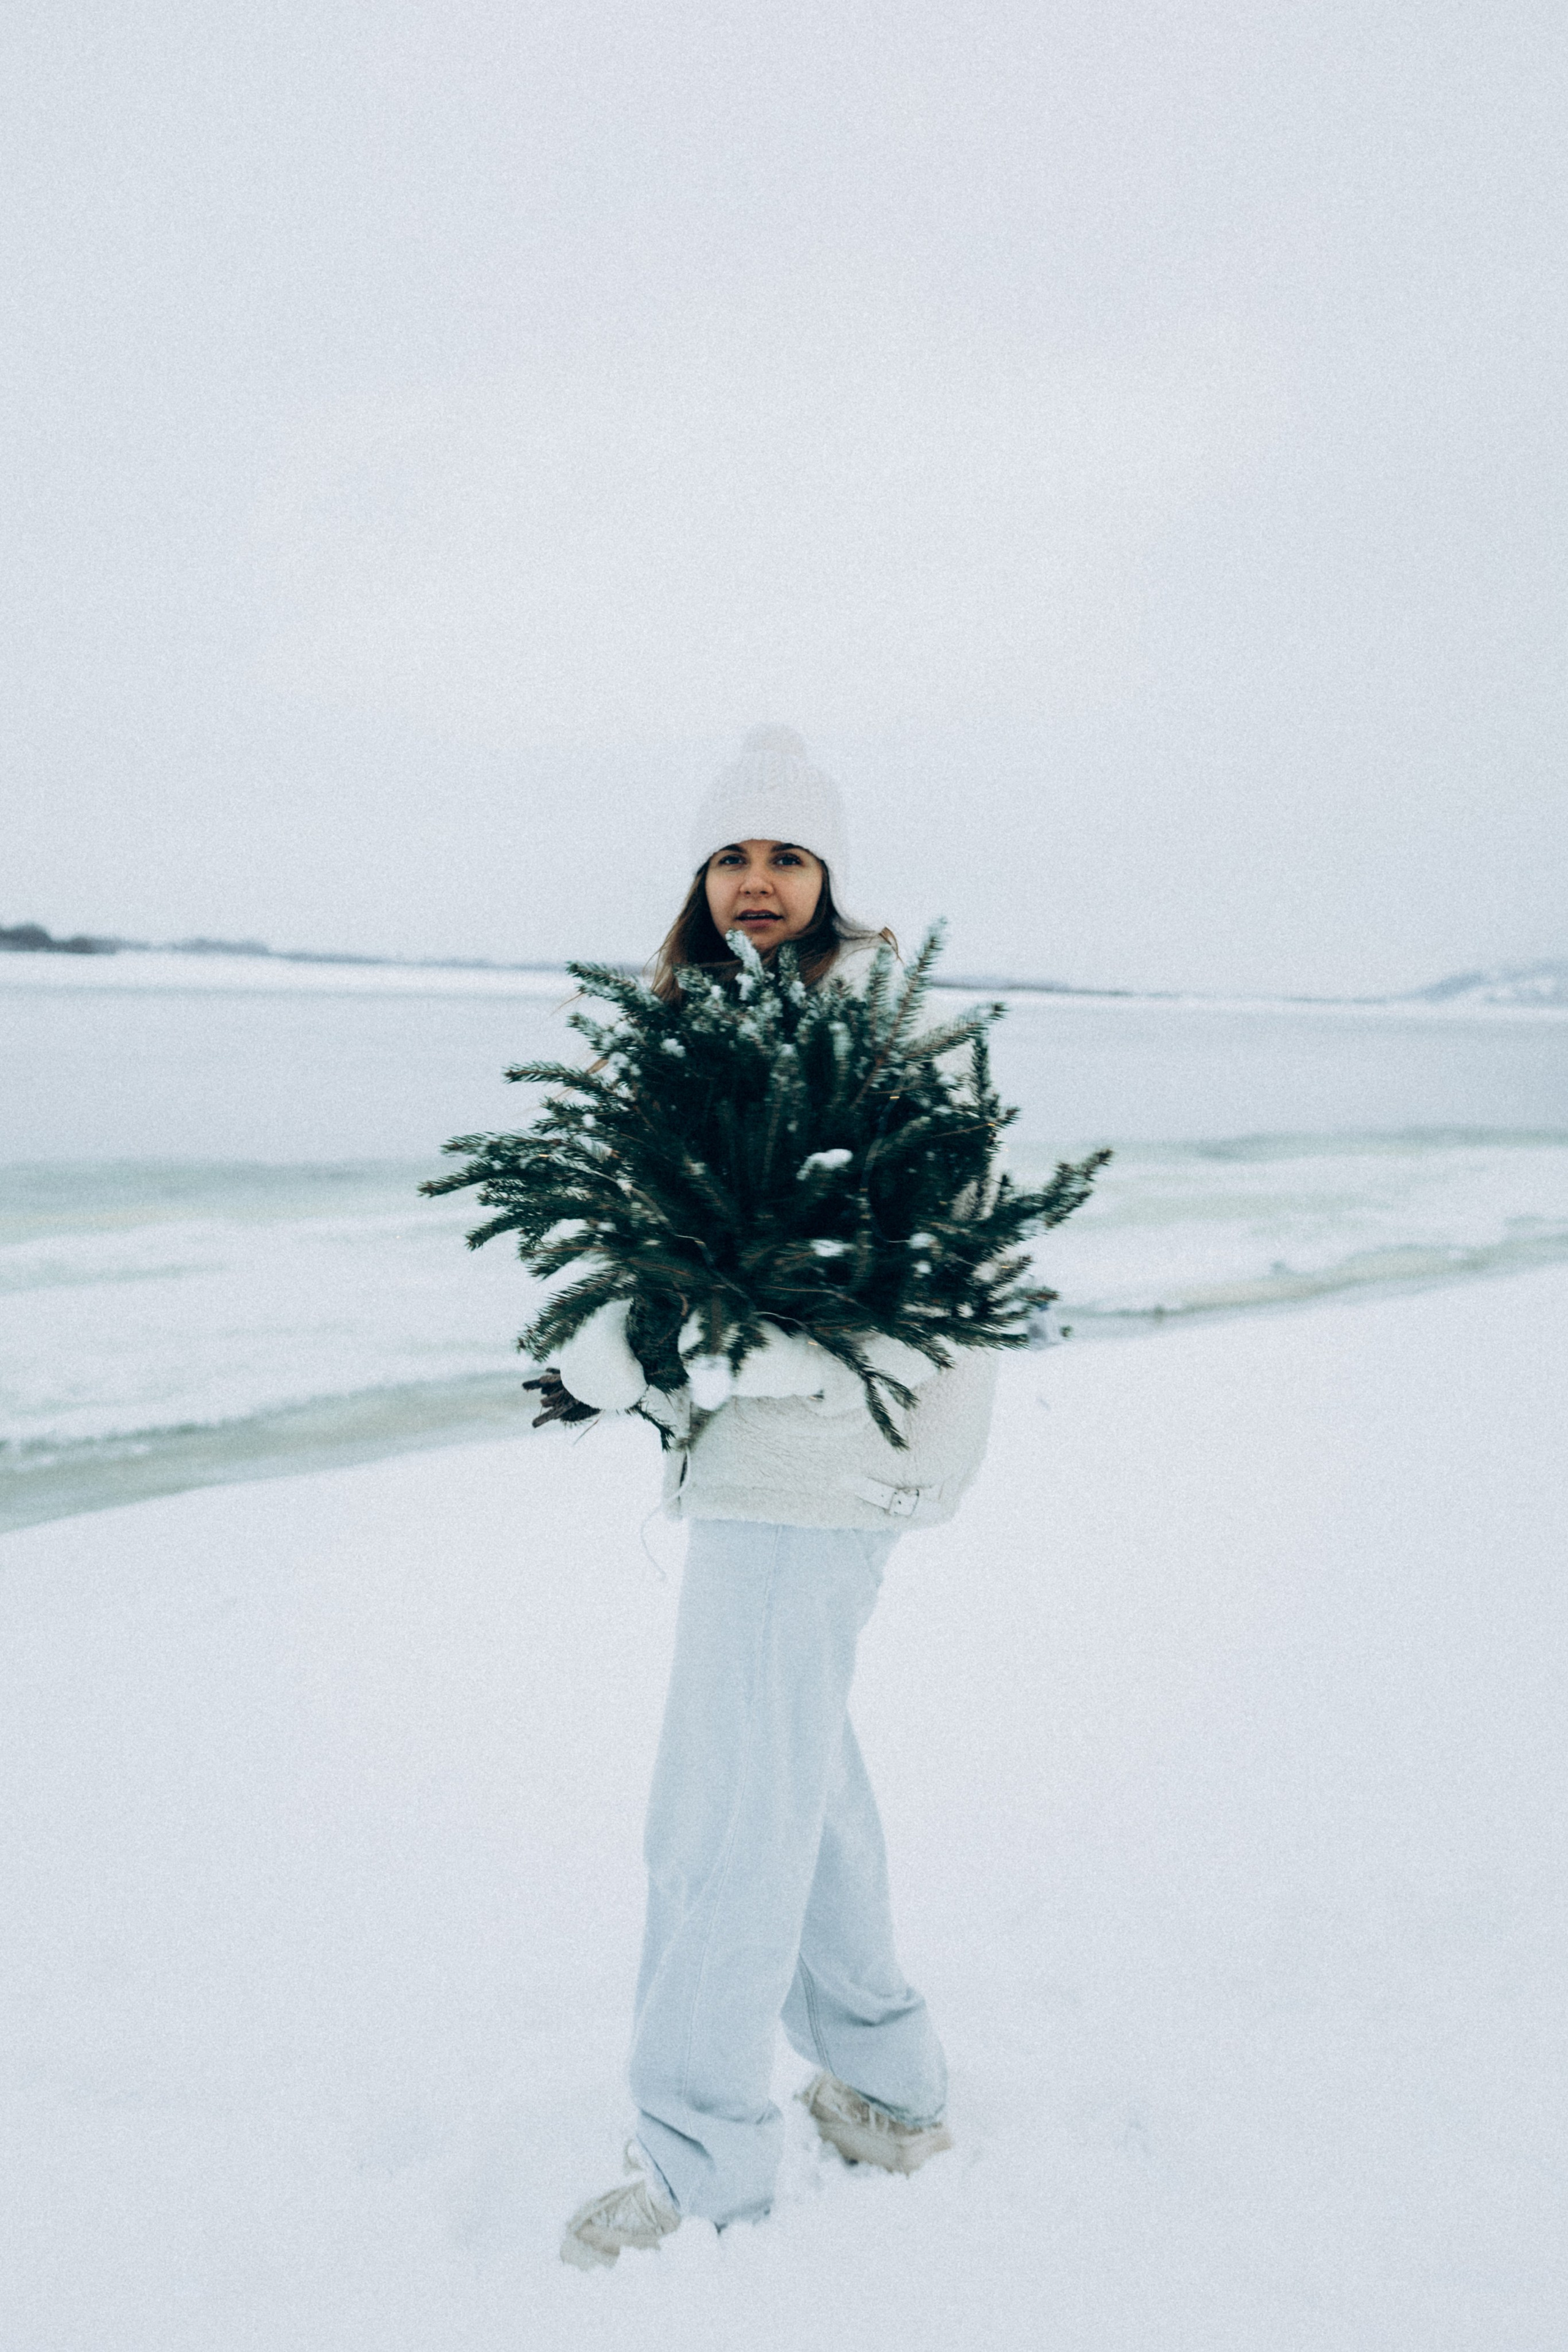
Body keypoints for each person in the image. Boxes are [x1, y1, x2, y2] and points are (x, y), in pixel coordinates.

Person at [550, 727, 998, 2270]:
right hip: (751, 1463)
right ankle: (887, 2088)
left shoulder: (878, 1041)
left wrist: (732, 1353)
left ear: (829, 878)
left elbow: (928, 1274)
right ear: (700, 877)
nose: (757, 882)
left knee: (720, 1816)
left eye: (787, 857)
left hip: (816, 1468)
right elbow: (650, 1241)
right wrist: (625, 1350)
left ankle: (701, 2164)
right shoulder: (695, 1031)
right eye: (733, 856)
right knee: (798, 1783)